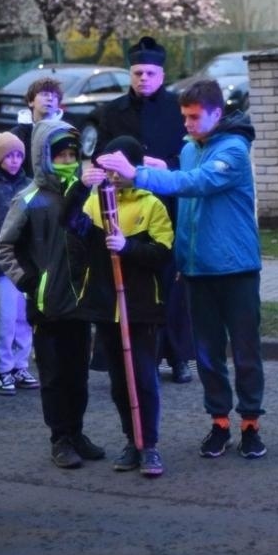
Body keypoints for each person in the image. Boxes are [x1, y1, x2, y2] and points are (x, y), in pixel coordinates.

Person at [97, 79, 266, 460]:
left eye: (193, 117)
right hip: (196, 270)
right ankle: (219, 423)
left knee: (245, 351)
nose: (186, 124)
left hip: (236, 269)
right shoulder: (191, 149)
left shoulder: (235, 149)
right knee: (205, 354)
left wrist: (139, 174)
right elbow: (185, 187)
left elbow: (198, 184)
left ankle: (251, 424)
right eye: (183, 117)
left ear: (217, 114)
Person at [0, 120, 104, 470]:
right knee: (54, 375)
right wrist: (29, 281)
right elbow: (5, 246)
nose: (69, 160)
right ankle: (60, 437)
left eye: (73, 154)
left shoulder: (83, 194)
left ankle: (76, 432)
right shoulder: (28, 199)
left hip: (81, 300)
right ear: (43, 157)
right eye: (60, 155)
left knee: (78, 374)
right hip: (47, 304)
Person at [93, 35, 193, 384]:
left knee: (172, 280)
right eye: (137, 73)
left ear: (161, 75)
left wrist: (165, 165)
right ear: (130, 74)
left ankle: (178, 355)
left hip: (168, 203)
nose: (143, 79)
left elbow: (190, 155)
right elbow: (101, 154)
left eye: (150, 73)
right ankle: (131, 354)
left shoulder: (178, 108)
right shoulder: (112, 111)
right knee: (132, 279)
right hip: (127, 208)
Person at [78, 136, 173, 476]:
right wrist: (79, 188)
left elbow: (162, 254)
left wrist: (128, 246)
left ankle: (149, 444)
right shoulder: (93, 203)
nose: (113, 176)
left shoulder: (151, 205)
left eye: (119, 169)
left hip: (142, 307)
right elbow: (71, 229)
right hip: (107, 307)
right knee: (119, 381)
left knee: (143, 377)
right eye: (108, 170)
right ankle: (130, 441)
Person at [0, 131, 36, 395]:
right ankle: (3, 368)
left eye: (18, 155)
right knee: (6, 319)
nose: (14, 160)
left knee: (25, 317)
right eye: (9, 155)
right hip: (1, 262)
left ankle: (21, 364)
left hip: (26, 261)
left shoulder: (30, 184)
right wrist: (2, 233)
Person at [12, 75, 63, 178]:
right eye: (44, 94)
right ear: (31, 102)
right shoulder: (15, 136)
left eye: (54, 96)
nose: (50, 98)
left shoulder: (66, 133)